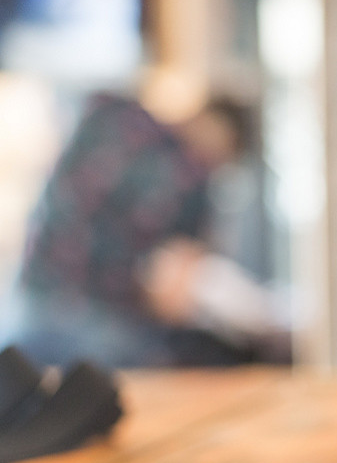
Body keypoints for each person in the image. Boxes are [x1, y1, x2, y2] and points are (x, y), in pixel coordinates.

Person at [1, 92, 284, 367]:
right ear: (226, 141)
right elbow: (172, 292)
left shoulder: (113, 114)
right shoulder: (190, 179)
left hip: (33, 294)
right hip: (101, 327)